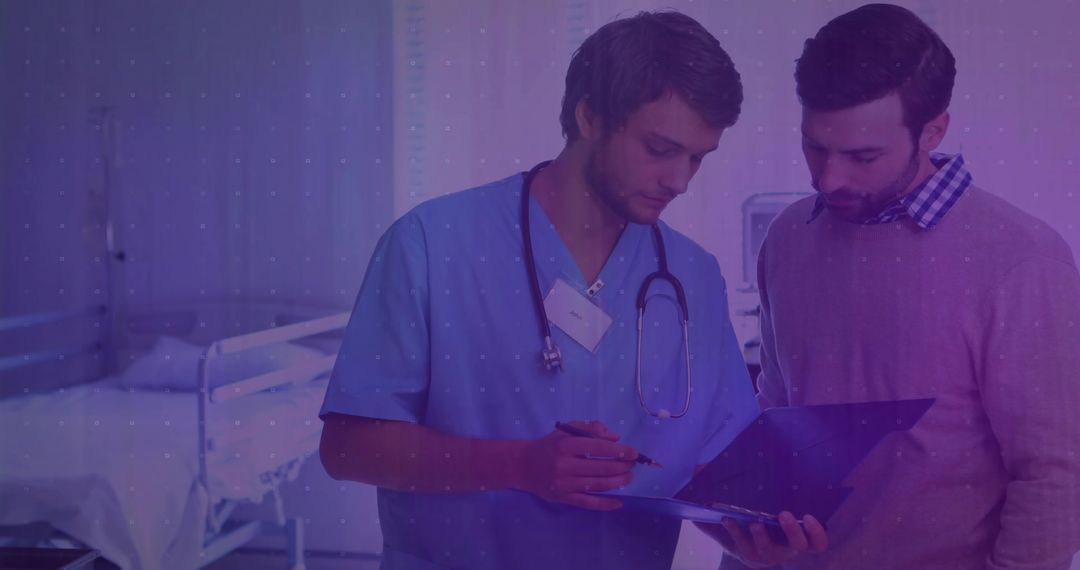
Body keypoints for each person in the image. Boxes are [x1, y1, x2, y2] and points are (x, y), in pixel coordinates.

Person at [319, 10, 825, 570]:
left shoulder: (692, 277)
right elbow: (347, 447)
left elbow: (712, 473)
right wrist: (518, 466)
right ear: (589, 116)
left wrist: (752, 534)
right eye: (660, 149)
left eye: (697, 158)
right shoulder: (431, 246)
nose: (679, 181)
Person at [739, 3, 1080, 569]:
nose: (828, 178)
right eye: (815, 147)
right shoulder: (787, 238)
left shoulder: (1021, 259)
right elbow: (779, 413)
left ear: (934, 130)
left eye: (862, 156)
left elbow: (1055, 473)